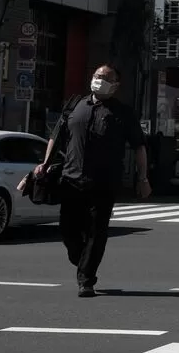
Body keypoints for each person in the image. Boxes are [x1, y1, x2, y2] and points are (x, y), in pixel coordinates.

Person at [34, 65, 150, 297]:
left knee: (97, 231)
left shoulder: (123, 113)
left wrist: (143, 178)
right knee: (68, 229)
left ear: (116, 85)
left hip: (104, 182)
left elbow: (139, 146)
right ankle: (81, 260)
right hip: (71, 179)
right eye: (97, 76)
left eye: (106, 77)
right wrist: (44, 164)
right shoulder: (74, 106)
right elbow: (55, 138)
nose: (100, 80)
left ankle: (86, 279)